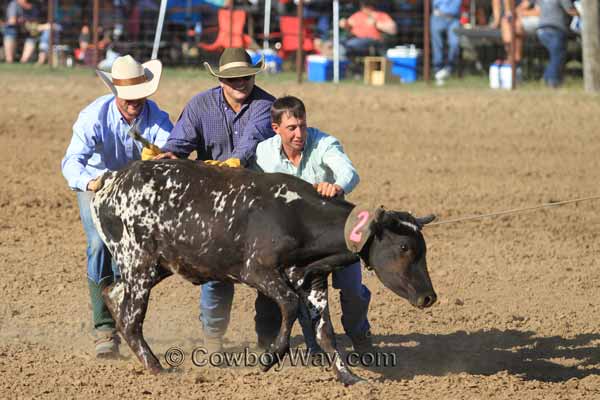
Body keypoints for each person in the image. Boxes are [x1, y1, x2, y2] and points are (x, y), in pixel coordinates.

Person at [153, 47, 276, 352]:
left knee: (270, 269)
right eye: (233, 79)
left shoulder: (266, 106)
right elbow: (180, 143)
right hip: (215, 201)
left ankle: (268, 339)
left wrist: (230, 165)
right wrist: (169, 155)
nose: (240, 83)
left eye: (245, 77)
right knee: (216, 273)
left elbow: (249, 146)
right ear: (221, 79)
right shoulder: (200, 106)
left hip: (255, 198)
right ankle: (213, 338)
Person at [61, 55, 173, 357]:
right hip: (97, 185)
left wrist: (165, 156)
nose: (133, 102)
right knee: (99, 245)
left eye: (138, 96)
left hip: (135, 191)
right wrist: (89, 183)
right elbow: (72, 161)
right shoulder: (94, 116)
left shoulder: (157, 118)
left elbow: (171, 149)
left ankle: (125, 319)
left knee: (138, 252)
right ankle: (104, 329)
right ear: (116, 92)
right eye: (127, 97)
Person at [250, 95, 373, 354]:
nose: (299, 133)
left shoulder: (324, 143)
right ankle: (315, 345)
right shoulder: (263, 154)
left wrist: (337, 186)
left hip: (333, 230)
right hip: (296, 240)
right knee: (304, 291)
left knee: (351, 288)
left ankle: (358, 331)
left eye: (303, 126)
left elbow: (349, 172)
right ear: (276, 129)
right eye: (292, 128)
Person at [536, 0, 578, 87]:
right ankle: (551, 81)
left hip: (541, 30)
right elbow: (570, 10)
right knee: (558, 56)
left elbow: (537, 9)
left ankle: (548, 78)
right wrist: (583, 15)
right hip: (555, 29)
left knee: (555, 56)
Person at [491, 0, 540, 66]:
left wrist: (520, 11)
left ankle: (514, 59)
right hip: (513, 19)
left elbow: (538, 11)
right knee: (507, 23)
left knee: (515, 25)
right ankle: (512, 59)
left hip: (532, 18)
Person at [430, 0, 462, 85]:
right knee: (437, 46)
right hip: (438, 16)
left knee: (454, 44)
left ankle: (448, 70)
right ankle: (438, 71)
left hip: (454, 18)